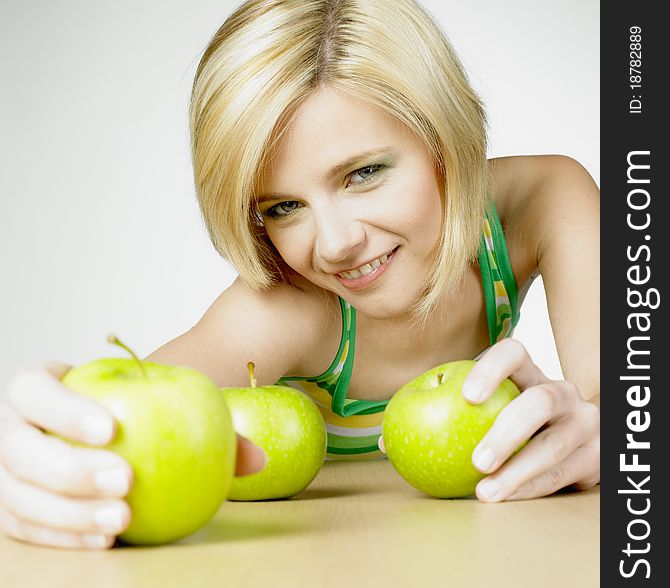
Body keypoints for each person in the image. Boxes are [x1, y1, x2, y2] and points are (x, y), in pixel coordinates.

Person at [0, 0, 599, 550]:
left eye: (363, 173)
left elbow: (627, 399)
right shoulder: (290, 307)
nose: (336, 246)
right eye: (282, 207)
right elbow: (128, 413)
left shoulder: (542, 201)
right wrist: (46, 454)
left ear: (443, 137)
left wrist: (606, 435)